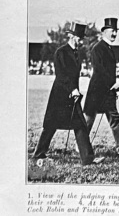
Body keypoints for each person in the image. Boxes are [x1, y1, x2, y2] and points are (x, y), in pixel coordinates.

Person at [32, 22, 103, 165]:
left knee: (80, 125)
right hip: (59, 95)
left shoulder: (78, 53)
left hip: (73, 95)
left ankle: (87, 158)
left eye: (82, 38)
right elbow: (61, 74)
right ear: (71, 36)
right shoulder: (61, 52)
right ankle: (39, 153)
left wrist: (75, 90)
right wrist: (72, 89)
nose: (81, 41)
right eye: (79, 38)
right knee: (50, 125)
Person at [83, 17, 119, 155]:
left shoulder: (109, 48)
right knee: (89, 118)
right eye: (112, 31)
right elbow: (99, 70)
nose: (114, 34)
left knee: (114, 118)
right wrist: (113, 83)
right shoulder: (97, 48)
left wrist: (112, 86)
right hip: (97, 90)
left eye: (116, 31)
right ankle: (81, 145)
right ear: (104, 32)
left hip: (108, 91)